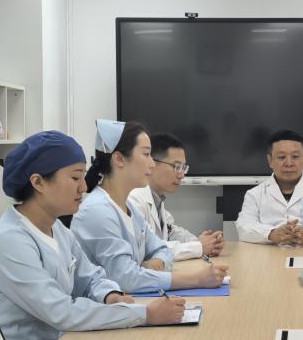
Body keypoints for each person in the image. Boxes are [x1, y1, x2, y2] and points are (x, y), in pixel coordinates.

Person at [0, 130, 186, 340]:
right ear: (38, 182)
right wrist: (145, 315)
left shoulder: (57, 229)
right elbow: (62, 312)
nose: (83, 187)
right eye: (75, 178)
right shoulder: (11, 241)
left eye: (83, 176)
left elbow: (90, 277)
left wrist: (109, 294)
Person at [72, 120, 228, 293]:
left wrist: (155, 263)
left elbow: (163, 249)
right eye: (146, 154)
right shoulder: (97, 211)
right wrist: (197, 279)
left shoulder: (127, 207)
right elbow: (126, 279)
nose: (152, 164)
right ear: (119, 159)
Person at [236, 129, 303, 245]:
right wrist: (271, 234)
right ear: (270, 161)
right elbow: (243, 226)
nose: (289, 163)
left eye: (295, 156)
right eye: (281, 157)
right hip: (269, 253)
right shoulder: (255, 194)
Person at [128, 132, 225, 261]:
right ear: (152, 163)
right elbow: (147, 250)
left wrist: (206, 241)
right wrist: (198, 247)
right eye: (176, 167)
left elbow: (171, 232)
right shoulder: (134, 200)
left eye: (183, 168)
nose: (181, 175)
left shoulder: (157, 200)